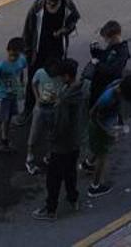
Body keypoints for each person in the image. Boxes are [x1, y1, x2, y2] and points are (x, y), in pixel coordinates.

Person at [34, 58, 87, 219]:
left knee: (54, 178)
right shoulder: (80, 90)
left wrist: (52, 137)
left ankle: (51, 209)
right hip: (75, 141)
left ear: (66, 76)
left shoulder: (65, 99)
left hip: (61, 144)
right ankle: (73, 199)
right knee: (70, 173)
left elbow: (61, 124)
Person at [22, 0, 80, 105]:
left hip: (57, 51)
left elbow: (74, 18)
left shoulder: (68, 5)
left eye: (52, 3)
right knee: (33, 79)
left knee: (55, 80)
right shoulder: (38, 6)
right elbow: (28, 30)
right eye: (47, 1)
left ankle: (54, 106)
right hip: (38, 51)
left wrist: (64, 30)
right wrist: (27, 51)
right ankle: (28, 109)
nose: (48, 4)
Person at [85, 73, 131, 196]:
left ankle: (88, 164)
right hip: (100, 128)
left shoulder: (118, 85)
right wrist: (108, 131)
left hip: (105, 125)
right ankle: (95, 186)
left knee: (98, 149)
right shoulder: (107, 99)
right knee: (102, 157)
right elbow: (92, 114)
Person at [0, 36, 27, 164]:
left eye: (16, 55)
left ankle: (4, 141)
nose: (13, 58)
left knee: (8, 119)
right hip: (2, 98)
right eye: (11, 55)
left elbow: (21, 71)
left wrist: (21, 84)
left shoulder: (21, 60)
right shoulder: (1, 66)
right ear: (8, 50)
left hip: (12, 96)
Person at [24, 52, 66, 176]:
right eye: (52, 71)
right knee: (34, 133)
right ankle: (30, 158)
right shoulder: (40, 73)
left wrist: (58, 99)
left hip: (53, 108)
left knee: (52, 133)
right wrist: (37, 98)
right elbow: (33, 83)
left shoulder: (60, 76)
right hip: (41, 108)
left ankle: (49, 156)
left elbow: (64, 89)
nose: (54, 73)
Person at [87, 21, 130, 90]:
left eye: (106, 38)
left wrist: (97, 63)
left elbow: (112, 70)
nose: (105, 40)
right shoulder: (113, 45)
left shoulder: (122, 53)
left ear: (114, 37)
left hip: (108, 85)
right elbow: (105, 56)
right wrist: (95, 50)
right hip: (100, 81)